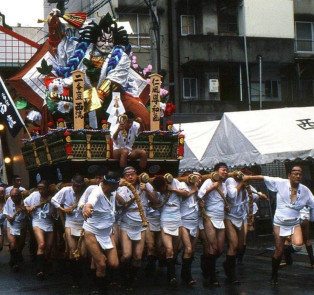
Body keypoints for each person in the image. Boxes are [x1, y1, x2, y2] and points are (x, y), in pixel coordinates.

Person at [243, 164, 314, 285]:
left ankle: (288, 252)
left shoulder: (305, 190)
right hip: (280, 223)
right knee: (278, 251)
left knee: (297, 245)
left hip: (295, 221)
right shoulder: (280, 183)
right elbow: (263, 177)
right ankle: (274, 275)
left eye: (300, 174)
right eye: (295, 173)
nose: (298, 176)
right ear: (289, 175)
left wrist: (311, 218)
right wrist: (247, 178)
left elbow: (313, 204)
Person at [116, 166, 158, 290]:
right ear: (124, 177)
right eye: (127, 175)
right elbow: (119, 205)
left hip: (141, 223)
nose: (130, 177)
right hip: (127, 223)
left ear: (137, 175)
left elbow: (155, 201)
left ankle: (130, 280)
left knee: (138, 256)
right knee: (127, 255)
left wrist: (147, 191)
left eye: (132, 174)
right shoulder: (121, 188)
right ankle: (123, 275)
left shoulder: (145, 185)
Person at [224, 171, 267, 283]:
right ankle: (231, 274)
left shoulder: (247, 184)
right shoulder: (230, 180)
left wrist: (261, 195)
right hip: (230, 216)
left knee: (240, 245)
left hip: (241, 216)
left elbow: (254, 195)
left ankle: (227, 264)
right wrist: (241, 184)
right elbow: (232, 196)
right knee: (233, 245)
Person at [82, 171, 121, 294]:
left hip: (107, 232)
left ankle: (99, 279)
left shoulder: (112, 192)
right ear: (109, 184)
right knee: (102, 264)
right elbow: (90, 202)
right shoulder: (96, 191)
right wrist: (87, 208)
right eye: (117, 185)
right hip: (92, 231)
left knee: (114, 264)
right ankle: (100, 290)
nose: (118, 188)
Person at [152, 174, 188, 286]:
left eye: (162, 188)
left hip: (177, 217)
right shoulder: (158, 192)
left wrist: (172, 189)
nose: (160, 190)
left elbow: (185, 193)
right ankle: (171, 276)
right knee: (169, 249)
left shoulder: (175, 182)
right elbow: (155, 202)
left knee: (176, 248)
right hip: (165, 218)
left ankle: (170, 269)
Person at [51, 173, 86, 288]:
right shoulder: (66, 190)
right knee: (73, 250)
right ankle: (75, 279)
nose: (76, 188)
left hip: (83, 224)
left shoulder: (86, 193)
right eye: (75, 186)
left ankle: (80, 274)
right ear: (72, 184)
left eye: (79, 186)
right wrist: (63, 209)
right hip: (70, 223)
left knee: (83, 252)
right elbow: (54, 200)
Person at [198, 162, 229, 286]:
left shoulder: (225, 184)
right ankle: (212, 277)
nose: (225, 172)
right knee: (213, 247)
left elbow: (224, 199)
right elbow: (200, 194)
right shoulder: (209, 181)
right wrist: (213, 186)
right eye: (223, 170)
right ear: (216, 171)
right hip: (209, 216)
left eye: (226, 170)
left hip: (220, 217)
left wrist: (227, 206)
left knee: (220, 249)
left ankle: (206, 262)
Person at [24, 180, 57, 280]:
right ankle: (40, 270)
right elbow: (25, 203)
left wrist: (51, 204)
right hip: (37, 221)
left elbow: (54, 214)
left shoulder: (52, 198)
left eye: (42, 189)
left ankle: (46, 265)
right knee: (42, 244)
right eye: (39, 189)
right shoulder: (34, 195)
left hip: (48, 222)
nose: (40, 191)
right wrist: (29, 208)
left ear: (47, 189)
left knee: (48, 247)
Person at [180, 172, 202, 285]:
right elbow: (183, 197)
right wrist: (193, 189)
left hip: (195, 222)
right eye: (196, 177)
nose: (198, 179)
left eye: (200, 178)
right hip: (184, 222)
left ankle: (184, 273)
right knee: (187, 249)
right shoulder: (183, 186)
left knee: (191, 251)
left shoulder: (199, 189)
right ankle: (187, 276)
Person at [3, 188, 28, 272]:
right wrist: (8, 217)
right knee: (13, 243)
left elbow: (30, 213)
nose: (14, 198)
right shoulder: (9, 200)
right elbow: (5, 210)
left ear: (19, 195)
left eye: (16, 196)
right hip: (11, 225)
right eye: (12, 196)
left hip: (22, 225)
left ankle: (17, 255)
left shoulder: (25, 201)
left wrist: (25, 210)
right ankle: (14, 262)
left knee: (21, 244)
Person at [0, 186, 6, 252]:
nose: (2, 194)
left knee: (1, 245)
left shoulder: (6, 201)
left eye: (3, 192)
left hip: (4, 225)